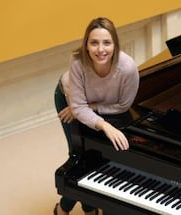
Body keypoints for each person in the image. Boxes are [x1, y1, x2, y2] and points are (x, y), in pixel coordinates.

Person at [53, 17, 140, 215]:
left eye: (107, 42)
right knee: (79, 154)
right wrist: (104, 125)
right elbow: (78, 106)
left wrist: (89, 107)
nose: (100, 49)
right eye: (94, 42)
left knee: (91, 157)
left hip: (91, 104)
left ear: (115, 45)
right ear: (86, 45)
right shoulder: (77, 63)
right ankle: (74, 209)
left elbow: (123, 106)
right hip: (68, 96)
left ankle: (78, 208)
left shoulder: (127, 68)